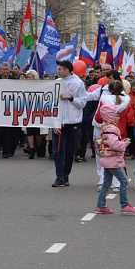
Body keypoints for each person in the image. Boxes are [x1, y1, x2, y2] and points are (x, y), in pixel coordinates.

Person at [95, 103, 135, 214]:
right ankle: (124, 204)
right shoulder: (111, 128)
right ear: (110, 116)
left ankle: (100, 206)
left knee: (106, 183)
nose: (118, 118)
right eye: (116, 115)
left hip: (106, 158)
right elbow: (114, 145)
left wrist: (121, 142)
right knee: (123, 180)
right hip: (112, 159)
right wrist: (124, 144)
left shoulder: (105, 126)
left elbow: (110, 143)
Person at [51, 60, 87, 188]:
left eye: (60, 69)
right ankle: (59, 176)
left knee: (69, 151)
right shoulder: (56, 82)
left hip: (72, 122)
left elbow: (83, 103)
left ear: (67, 70)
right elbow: (52, 104)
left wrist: (71, 98)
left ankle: (66, 175)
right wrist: (54, 123)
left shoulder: (78, 83)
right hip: (59, 123)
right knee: (58, 151)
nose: (58, 71)